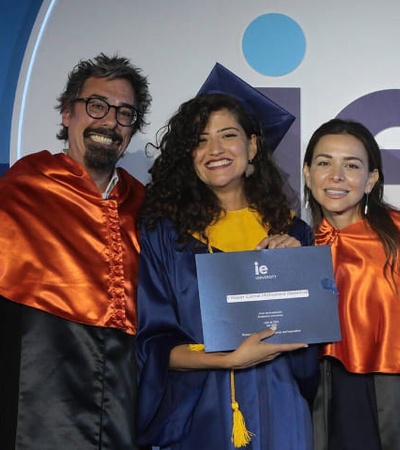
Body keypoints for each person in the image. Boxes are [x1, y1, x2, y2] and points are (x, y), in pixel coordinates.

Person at [136, 92, 320, 450]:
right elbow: (153, 346)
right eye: (200, 140)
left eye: (228, 135)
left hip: (281, 406)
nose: (215, 148)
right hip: (200, 411)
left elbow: (311, 342)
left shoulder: (293, 233)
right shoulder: (165, 235)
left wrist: (300, 272)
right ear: (189, 156)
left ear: (252, 146)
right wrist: (230, 360)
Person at [0, 53, 151, 449]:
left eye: (124, 114)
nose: (109, 122)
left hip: (124, 396)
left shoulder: (147, 209)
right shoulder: (20, 192)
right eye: (97, 106)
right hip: (38, 389)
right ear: (68, 113)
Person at [303, 118, 400, 450]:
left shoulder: (398, 235)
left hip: (387, 389)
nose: (336, 176)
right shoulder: (292, 245)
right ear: (307, 173)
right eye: (324, 162)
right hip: (314, 393)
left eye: (352, 165)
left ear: (371, 178)